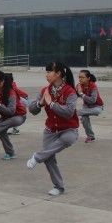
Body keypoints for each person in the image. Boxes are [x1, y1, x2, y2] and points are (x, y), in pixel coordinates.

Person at [26, 62, 79, 196]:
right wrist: (40, 103)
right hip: (50, 130)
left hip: (69, 129)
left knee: (68, 139)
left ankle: (37, 157)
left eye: (49, 72)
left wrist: (51, 103)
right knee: (48, 157)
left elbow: (68, 113)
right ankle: (59, 187)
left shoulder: (70, 91)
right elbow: (32, 110)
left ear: (58, 74)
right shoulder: (45, 90)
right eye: (47, 72)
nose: (47, 75)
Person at [0, 71, 27, 160]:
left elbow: (11, 111)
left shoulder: (11, 93)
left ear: (2, 81)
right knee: (1, 131)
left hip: (19, 116)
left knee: (9, 122)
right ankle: (10, 153)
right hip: (5, 117)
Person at [76, 69, 104, 143]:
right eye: (79, 77)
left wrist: (81, 94)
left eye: (82, 77)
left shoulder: (93, 86)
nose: (80, 79)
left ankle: (77, 112)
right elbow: (74, 96)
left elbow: (92, 100)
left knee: (97, 111)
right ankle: (91, 137)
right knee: (84, 118)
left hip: (97, 106)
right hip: (86, 107)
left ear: (88, 78)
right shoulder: (79, 86)